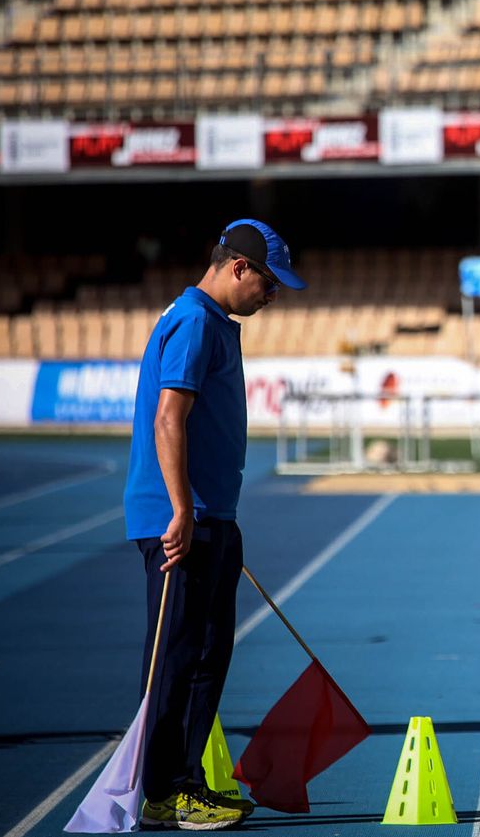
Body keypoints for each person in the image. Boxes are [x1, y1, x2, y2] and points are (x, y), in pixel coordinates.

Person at [123, 219, 306, 829]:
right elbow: (168, 418)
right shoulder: (195, 321)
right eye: (269, 283)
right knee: (176, 659)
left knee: (207, 656)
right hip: (184, 521)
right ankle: (163, 792)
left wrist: (216, 517)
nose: (272, 295)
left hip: (210, 518)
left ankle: (186, 782)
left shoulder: (214, 323)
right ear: (238, 267)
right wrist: (184, 510)